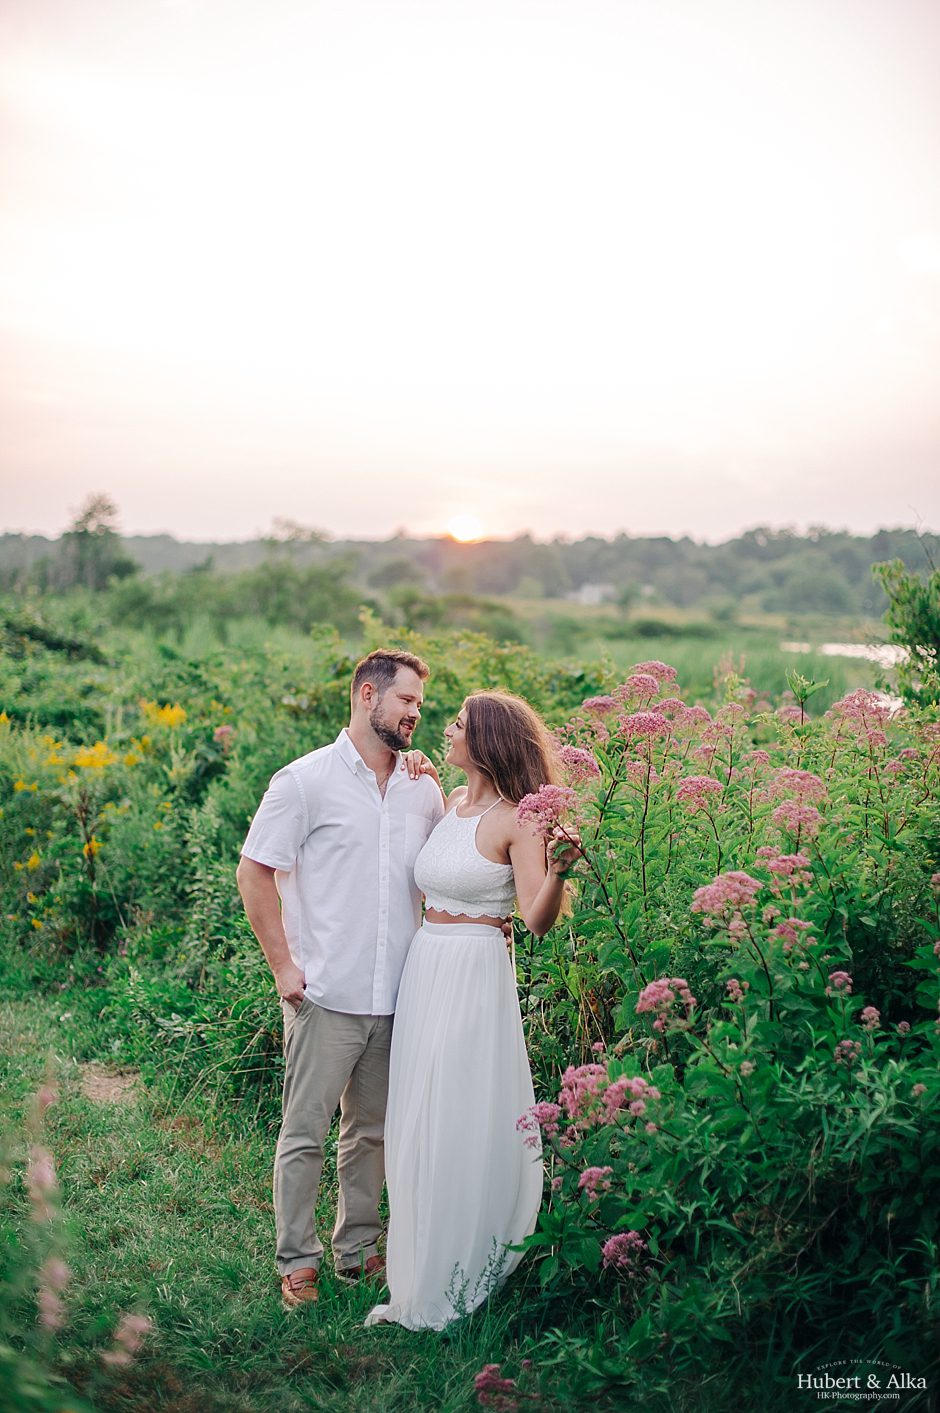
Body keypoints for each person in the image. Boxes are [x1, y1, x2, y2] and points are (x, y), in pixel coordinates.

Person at [236, 649, 444, 1307]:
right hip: (324, 993)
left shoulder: (423, 787)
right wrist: (283, 966)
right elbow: (254, 871)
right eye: (406, 700)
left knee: (371, 1134)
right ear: (366, 695)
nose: (416, 713)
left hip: (397, 996)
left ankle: (357, 1253)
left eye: (419, 704)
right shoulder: (304, 781)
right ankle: (297, 1262)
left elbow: (441, 870)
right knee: (305, 1133)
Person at [365, 689, 575, 1331]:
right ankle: (418, 1253)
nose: (446, 730)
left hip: (476, 968)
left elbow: (536, 920)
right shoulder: (452, 801)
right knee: (419, 1109)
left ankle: (458, 1266)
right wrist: (428, 775)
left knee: (458, 1111)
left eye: (456, 723)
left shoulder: (521, 819)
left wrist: (561, 871)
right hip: (426, 964)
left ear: (484, 742)